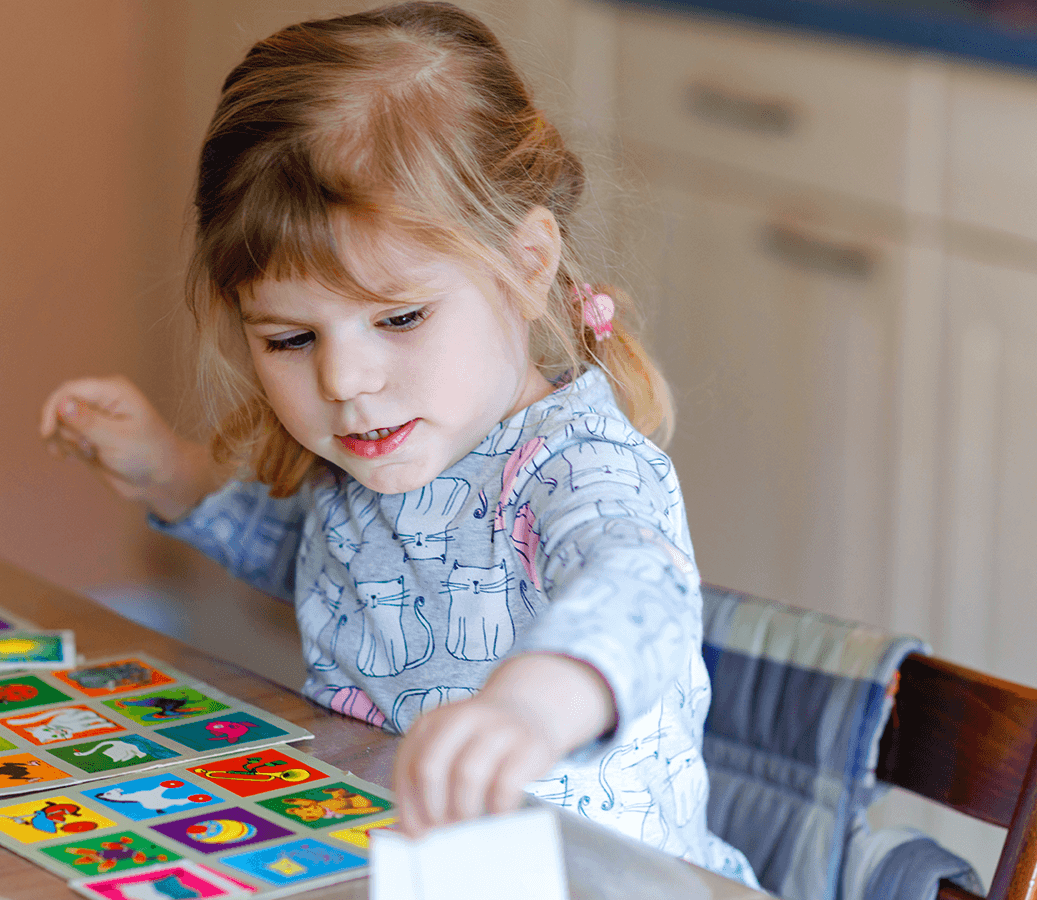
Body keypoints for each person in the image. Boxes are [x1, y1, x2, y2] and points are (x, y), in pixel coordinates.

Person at [39, 1, 755, 882]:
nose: (345, 381)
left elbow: (643, 594)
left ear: (526, 267)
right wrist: (177, 478)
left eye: (400, 317)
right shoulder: (379, 456)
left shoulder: (575, 465)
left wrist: (533, 709)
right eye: (291, 340)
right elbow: (333, 574)